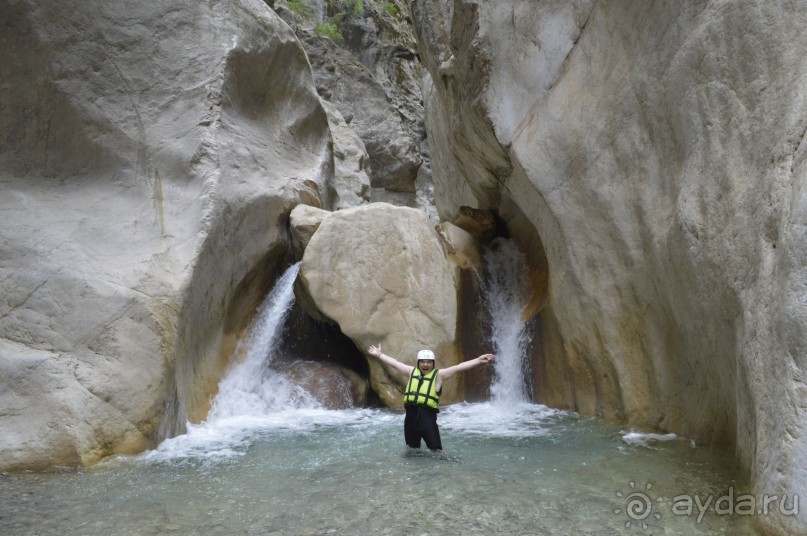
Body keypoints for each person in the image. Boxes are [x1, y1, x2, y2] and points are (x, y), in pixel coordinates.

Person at [367, 344, 495, 453]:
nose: (425, 364)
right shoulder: (412, 372)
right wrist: (379, 354)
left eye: (428, 362)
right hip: (410, 421)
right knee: (412, 452)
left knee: (437, 453)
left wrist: (478, 360)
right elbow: (395, 364)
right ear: (418, 363)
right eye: (422, 361)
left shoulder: (439, 375)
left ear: (433, 363)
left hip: (427, 421)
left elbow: (458, 368)